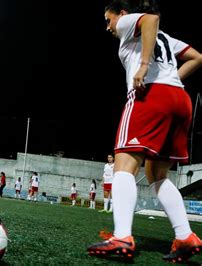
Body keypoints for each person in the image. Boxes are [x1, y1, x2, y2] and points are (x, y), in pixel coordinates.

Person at [88, 1, 202, 262]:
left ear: (123, 14)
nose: (108, 26)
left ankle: (122, 237)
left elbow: (150, 19)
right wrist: (173, 81)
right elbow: (198, 57)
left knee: (124, 165)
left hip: (149, 96)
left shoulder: (130, 23)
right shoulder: (166, 38)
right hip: (179, 99)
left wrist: (143, 65)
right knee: (157, 174)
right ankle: (185, 236)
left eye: (109, 19)